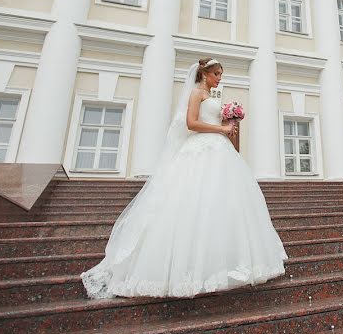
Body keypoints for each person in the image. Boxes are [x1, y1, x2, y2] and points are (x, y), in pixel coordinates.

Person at [81, 58, 287, 299]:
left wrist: (230, 122)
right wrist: (221, 129)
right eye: (217, 74)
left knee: (224, 205)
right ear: (205, 74)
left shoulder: (212, 97)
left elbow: (218, 126)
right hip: (200, 150)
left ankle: (227, 263)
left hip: (220, 152)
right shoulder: (196, 93)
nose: (220, 78)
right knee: (193, 202)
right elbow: (191, 123)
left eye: (221, 74)